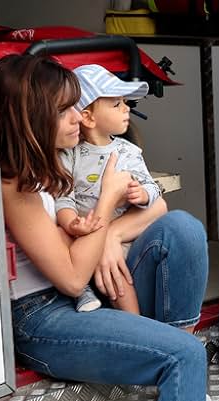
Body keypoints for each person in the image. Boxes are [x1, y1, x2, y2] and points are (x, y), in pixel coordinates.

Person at [0, 54, 219, 401]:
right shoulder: (13, 185)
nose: (77, 117)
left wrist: (104, 232)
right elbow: (69, 278)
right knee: (184, 354)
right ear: (35, 115)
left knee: (180, 228)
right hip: (44, 315)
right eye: (66, 109)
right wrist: (107, 204)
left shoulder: (46, 170)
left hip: (81, 297)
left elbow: (84, 244)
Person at [56, 64, 162, 314]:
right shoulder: (69, 155)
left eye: (125, 102)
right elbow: (63, 197)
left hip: (122, 236)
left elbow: (151, 187)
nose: (126, 109)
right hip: (82, 236)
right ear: (88, 117)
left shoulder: (128, 152)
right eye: (116, 104)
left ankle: (135, 322)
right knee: (62, 240)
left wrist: (143, 194)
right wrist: (71, 223)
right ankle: (82, 290)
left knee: (116, 274)